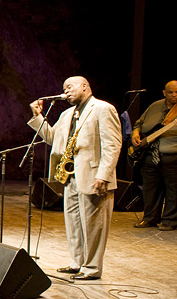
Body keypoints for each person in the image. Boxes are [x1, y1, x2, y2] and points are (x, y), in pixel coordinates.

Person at [28, 76, 122, 280]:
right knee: (74, 223)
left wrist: (104, 176)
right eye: (64, 88)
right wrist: (38, 117)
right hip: (70, 177)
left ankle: (92, 268)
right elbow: (53, 139)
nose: (66, 91)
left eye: (70, 87)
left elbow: (112, 145)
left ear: (85, 86)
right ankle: (77, 262)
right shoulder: (67, 113)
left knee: (94, 225)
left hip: (94, 176)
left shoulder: (103, 108)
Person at [131, 80, 177, 231]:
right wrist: (135, 133)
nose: (174, 95)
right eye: (171, 92)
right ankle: (150, 218)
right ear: (164, 93)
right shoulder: (155, 106)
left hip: (172, 156)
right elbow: (138, 123)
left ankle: (170, 221)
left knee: (173, 190)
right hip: (150, 155)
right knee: (150, 189)